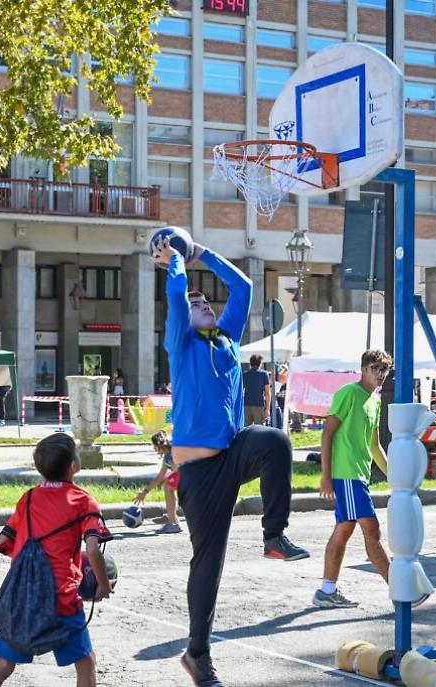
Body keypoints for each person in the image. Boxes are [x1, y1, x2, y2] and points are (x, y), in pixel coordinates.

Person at [154, 233, 308, 687]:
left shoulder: (225, 340)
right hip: (199, 474)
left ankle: (274, 535)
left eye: (205, 302)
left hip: (233, 452)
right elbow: (176, 296)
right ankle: (197, 654)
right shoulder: (181, 344)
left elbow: (243, 288)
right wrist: (177, 261)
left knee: (275, 440)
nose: (202, 304)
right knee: (209, 563)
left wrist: (203, 254)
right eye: (195, 303)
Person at [0, 433, 113, 687]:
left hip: (23, 598)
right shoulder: (83, 501)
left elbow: (3, 542)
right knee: (85, 663)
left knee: (3, 665)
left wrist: (33, 565)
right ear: (73, 466)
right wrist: (103, 585)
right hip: (61, 598)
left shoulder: (28, 498)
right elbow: (93, 549)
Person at [314, 349, 392, 608]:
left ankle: (327, 591)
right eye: (375, 369)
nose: (380, 374)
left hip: (359, 475)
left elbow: (374, 445)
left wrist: (394, 476)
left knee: (344, 529)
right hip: (346, 475)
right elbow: (327, 434)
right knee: (372, 529)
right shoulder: (348, 393)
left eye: (384, 369)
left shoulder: (375, 401)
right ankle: (401, 591)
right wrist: (326, 476)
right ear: (363, 369)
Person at [134, 430, 182, 534]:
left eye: (154, 446)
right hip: (188, 474)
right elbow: (160, 477)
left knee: (168, 485)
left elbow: (179, 469)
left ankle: (173, 522)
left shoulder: (174, 450)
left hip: (192, 474)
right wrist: (145, 492)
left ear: (160, 445)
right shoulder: (167, 457)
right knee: (167, 484)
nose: (154, 449)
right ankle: (172, 517)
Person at [242, 354, 271, 426]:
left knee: (246, 429)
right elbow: (267, 392)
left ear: (250, 363)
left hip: (246, 404)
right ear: (260, 363)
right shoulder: (264, 374)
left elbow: (241, 391)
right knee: (259, 429)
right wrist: (267, 409)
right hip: (259, 405)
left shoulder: (245, 374)